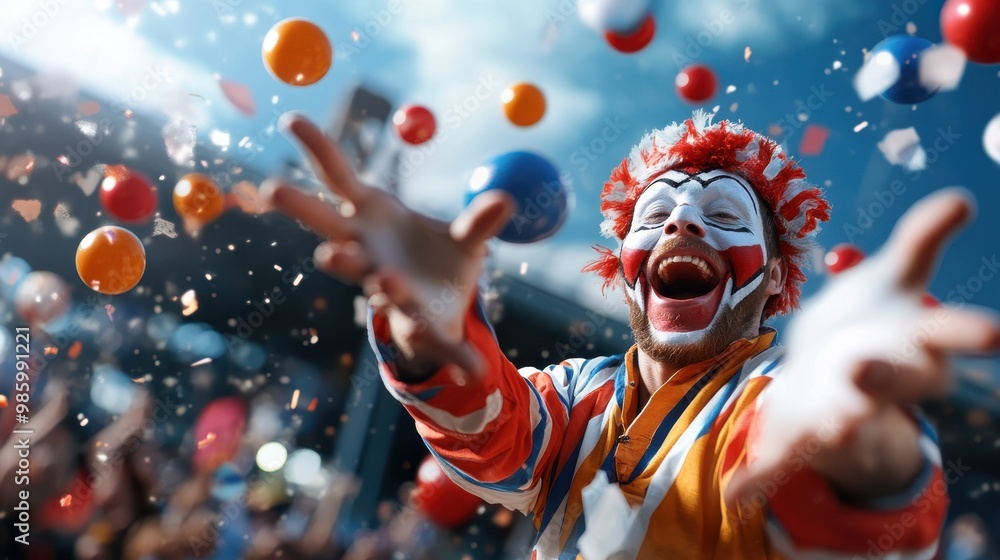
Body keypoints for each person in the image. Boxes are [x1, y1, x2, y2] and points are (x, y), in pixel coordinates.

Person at [264, 111, 1000, 559]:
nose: (681, 224)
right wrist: (430, 327)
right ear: (625, 267)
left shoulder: (782, 397)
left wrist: (860, 452)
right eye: (657, 217)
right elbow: (495, 445)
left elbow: (879, 510)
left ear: (775, 280)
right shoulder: (579, 392)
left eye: (724, 215)